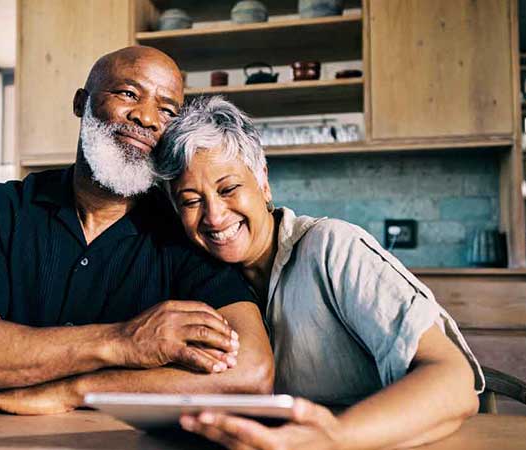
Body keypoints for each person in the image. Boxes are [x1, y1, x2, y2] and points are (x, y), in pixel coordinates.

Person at [0, 47, 273, 416]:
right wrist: (122, 341)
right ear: (80, 103)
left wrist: (75, 391)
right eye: (128, 93)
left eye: (167, 111)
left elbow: (252, 371)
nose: (146, 117)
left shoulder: (185, 229)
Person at [153, 96, 484, 449]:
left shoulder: (332, 247)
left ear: (263, 181)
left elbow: (454, 381)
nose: (215, 216)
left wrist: (334, 438)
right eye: (191, 201)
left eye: (229, 189)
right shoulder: (202, 284)